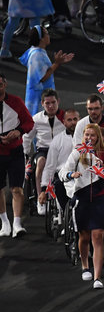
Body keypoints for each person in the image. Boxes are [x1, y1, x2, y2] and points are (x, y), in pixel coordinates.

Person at [59, 124, 104, 289]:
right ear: (83, 137)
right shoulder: (77, 153)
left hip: (99, 200)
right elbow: (62, 173)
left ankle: (97, 277)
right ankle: (85, 265)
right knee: (84, 237)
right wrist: (71, 175)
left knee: (98, 236)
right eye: (87, 135)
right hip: (82, 201)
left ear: (98, 138)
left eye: (93, 135)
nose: (89, 138)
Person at [0, 73, 35, 237]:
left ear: (5, 84)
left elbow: (29, 122)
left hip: (15, 151)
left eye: (0, 84)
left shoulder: (16, 102)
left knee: (17, 189)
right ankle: (4, 223)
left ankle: (17, 223)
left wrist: (18, 132)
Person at [22, 89, 65, 214]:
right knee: (41, 163)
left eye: (53, 102)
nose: (51, 106)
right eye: (47, 103)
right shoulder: (36, 119)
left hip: (60, 150)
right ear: (42, 103)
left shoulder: (65, 117)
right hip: (43, 150)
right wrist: (25, 154)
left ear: (58, 101)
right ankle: (41, 198)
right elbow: (27, 137)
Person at [18, 26, 74, 115]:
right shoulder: (37, 55)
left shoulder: (36, 51)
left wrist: (58, 62)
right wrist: (56, 63)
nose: (49, 36)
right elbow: (43, 77)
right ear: (41, 38)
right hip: (39, 97)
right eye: (47, 34)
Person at [40, 108, 79, 216]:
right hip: (63, 177)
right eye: (69, 120)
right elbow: (50, 166)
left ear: (79, 120)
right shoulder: (57, 140)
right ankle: (68, 216)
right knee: (58, 185)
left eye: (75, 119)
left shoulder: (87, 137)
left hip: (81, 175)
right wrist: (43, 189)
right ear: (64, 122)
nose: (73, 123)